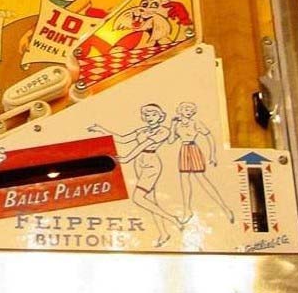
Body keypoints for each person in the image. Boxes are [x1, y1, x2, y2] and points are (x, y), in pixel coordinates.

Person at [92, 104, 182, 247]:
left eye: (154, 114)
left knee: (138, 198)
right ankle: (164, 233)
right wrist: (101, 130)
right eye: (147, 115)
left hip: (151, 163)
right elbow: (123, 139)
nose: (150, 117)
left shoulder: (163, 131)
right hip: (139, 162)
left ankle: (173, 218)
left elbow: (144, 145)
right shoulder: (142, 130)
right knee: (150, 201)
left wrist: (127, 158)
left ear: (161, 116)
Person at [169, 101, 234, 223]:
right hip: (183, 150)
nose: (189, 112)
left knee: (201, 179)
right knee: (184, 180)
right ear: (180, 111)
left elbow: (209, 136)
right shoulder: (177, 125)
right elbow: (171, 140)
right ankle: (187, 210)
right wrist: (172, 126)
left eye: (191, 110)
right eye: (186, 109)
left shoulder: (196, 123)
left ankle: (225, 208)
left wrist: (212, 155)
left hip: (194, 149)